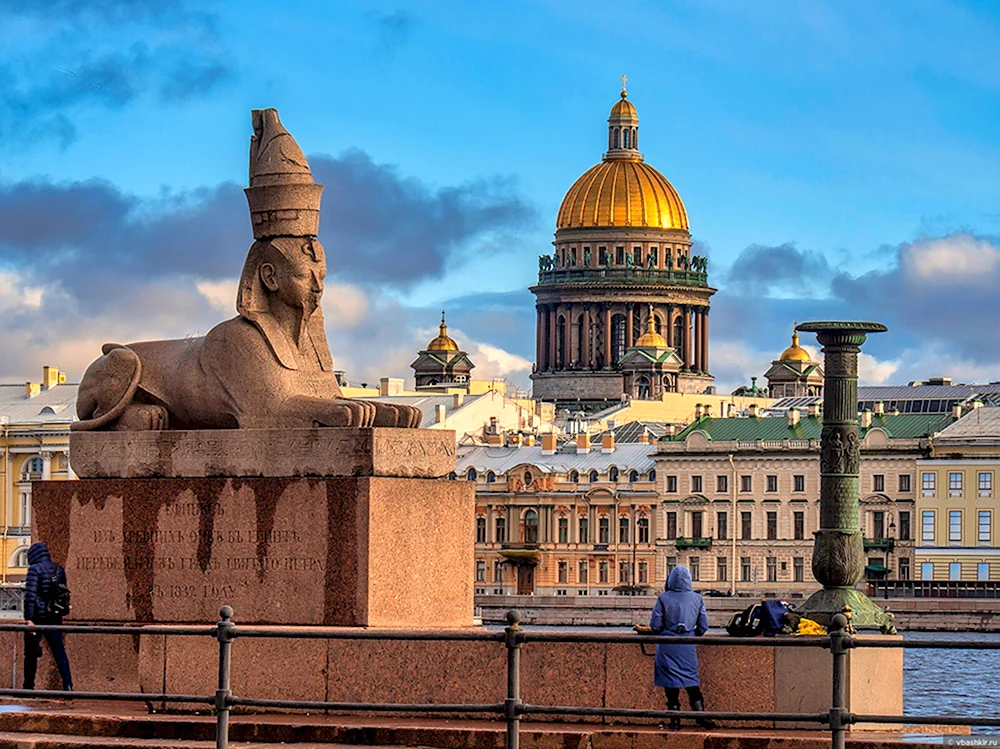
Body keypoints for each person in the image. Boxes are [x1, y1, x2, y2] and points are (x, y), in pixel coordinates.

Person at [649, 565, 714, 729]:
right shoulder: (697, 598)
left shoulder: (663, 598)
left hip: (668, 645)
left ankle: (675, 720)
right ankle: (701, 717)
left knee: (670, 686)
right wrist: (692, 635)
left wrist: (664, 632)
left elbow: (655, 625)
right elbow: (703, 625)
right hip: (687, 645)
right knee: (692, 681)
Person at [22, 542, 73, 692]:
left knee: (31, 654)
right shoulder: (59, 569)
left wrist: (29, 618)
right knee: (59, 651)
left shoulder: (34, 570)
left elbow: (30, 596)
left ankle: (28, 688)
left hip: (38, 617)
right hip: (54, 616)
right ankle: (68, 686)